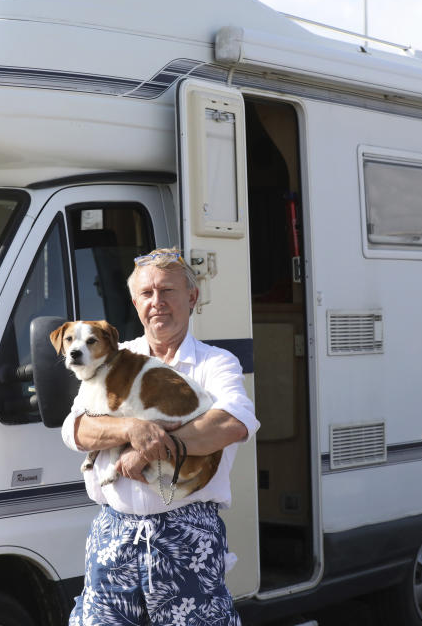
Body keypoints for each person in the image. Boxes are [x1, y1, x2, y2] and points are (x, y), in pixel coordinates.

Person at [61, 247, 259, 626]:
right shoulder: (111, 354)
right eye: (147, 294)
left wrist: (152, 452)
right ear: (135, 303)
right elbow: (76, 429)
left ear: (192, 297)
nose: (158, 303)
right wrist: (131, 428)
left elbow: (233, 423)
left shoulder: (215, 363)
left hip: (185, 534)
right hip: (114, 532)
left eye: (167, 291)